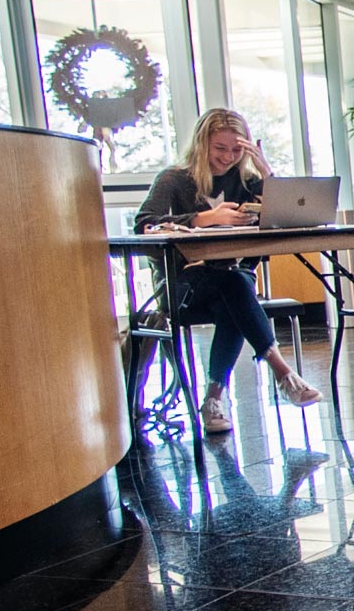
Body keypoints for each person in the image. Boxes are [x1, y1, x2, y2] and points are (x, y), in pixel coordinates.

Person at [135, 109, 324, 431]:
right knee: (235, 287)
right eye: (220, 148)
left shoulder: (246, 181)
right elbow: (144, 225)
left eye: (237, 150)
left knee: (232, 295)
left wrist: (267, 173)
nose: (228, 157)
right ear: (201, 144)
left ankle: (214, 402)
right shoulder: (174, 179)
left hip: (232, 282)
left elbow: (287, 217)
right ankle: (283, 373)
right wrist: (202, 219)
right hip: (183, 283)